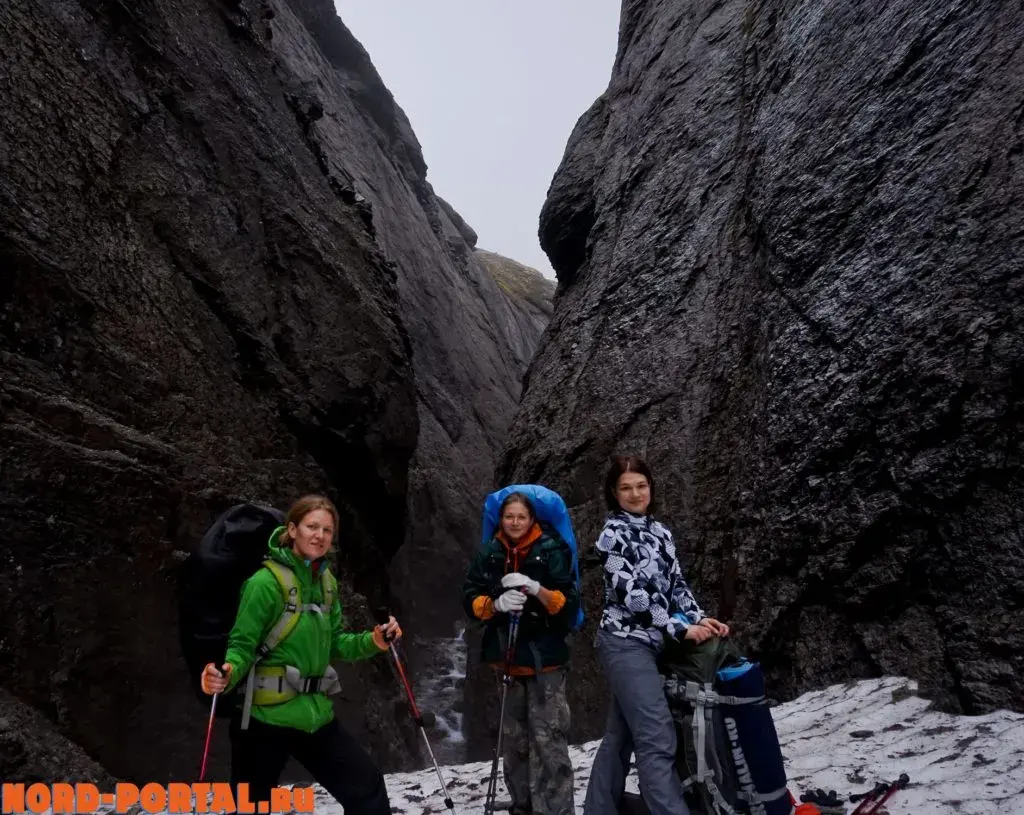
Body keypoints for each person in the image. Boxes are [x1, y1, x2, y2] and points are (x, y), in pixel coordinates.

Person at [200, 494, 402, 815]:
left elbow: (336, 644)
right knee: (251, 808)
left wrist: (374, 641)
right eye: (312, 526)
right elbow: (241, 646)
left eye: (327, 530)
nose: (320, 535)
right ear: (292, 530)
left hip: (314, 717)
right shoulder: (264, 584)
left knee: (367, 786)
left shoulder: (327, 583)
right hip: (263, 721)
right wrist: (224, 675)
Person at [583, 456, 731, 815]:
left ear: (650, 487)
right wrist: (680, 628)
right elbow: (631, 595)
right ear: (613, 493)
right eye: (626, 488)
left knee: (620, 737)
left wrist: (700, 618)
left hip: (657, 644)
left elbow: (676, 585)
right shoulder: (611, 536)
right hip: (625, 642)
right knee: (656, 735)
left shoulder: (661, 532)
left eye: (641, 486)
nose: (635, 494)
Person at [462, 492, 581, 815]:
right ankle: (523, 805)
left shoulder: (552, 550)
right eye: (509, 516)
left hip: (546, 663)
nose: (514, 523)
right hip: (507, 660)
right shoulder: (489, 553)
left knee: (549, 741)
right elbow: (470, 595)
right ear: (500, 519)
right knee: (515, 742)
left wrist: (537, 590)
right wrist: (494, 605)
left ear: (532, 519)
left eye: (521, 517)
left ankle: (554, 810)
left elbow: (568, 604)